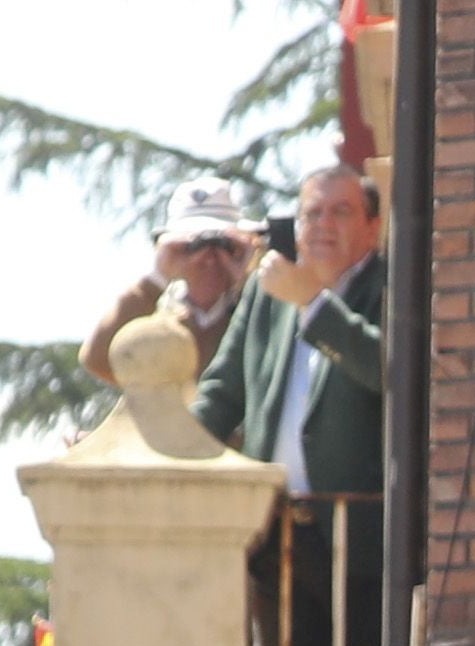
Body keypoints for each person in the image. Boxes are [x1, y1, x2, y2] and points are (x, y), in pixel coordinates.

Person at [195, 162, 389, 497]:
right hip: (272, 524)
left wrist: (313, 305)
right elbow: (222, 394)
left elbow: (389, 371)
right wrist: (167, 448)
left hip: (355, 529)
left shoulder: (393, 286)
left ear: (373, 227)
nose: (323, 224)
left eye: (341, 212)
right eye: (311, 214)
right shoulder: (267, 290)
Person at [87, 181, 263, 381]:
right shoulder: (156, 320)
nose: (209, 257)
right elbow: (98, 359)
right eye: (193, 245)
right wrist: (157, 279)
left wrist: (249, 283)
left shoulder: (253, 312)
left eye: (224, 245)